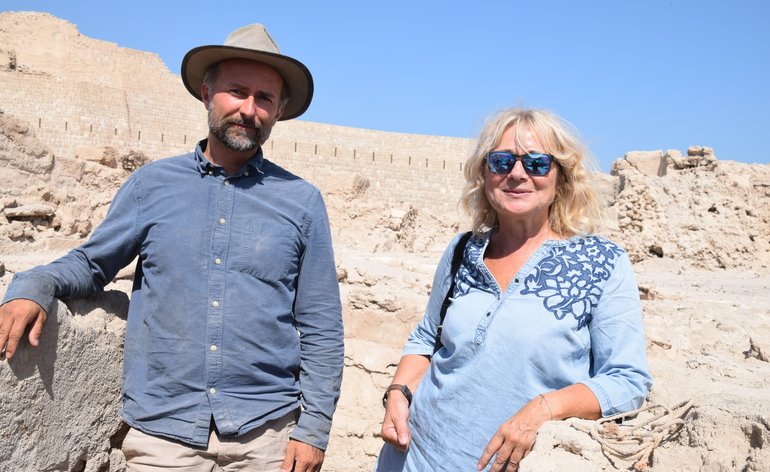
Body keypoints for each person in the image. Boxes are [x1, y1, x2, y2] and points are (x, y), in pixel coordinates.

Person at [0, 23, 343, 472]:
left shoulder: (302, 202)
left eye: (265, 98)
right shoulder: (151, 186)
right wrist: (35, 282)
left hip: (268, 439)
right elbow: (93, 264)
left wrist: (313, 428)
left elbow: (320, 325)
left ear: (278, 112)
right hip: (163, 437)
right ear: (206, 95)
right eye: (237, 91)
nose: (249, 109)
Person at [376, 108, 653, 471]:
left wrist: (544, 408)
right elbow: (427, 338)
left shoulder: (602, 263)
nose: (517, 174)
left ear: (562, 177)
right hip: (411, 457)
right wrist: (398, 391)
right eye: (502, 161)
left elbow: (627, 381)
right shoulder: (463, 249)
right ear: (484, 173)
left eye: (536, 164)